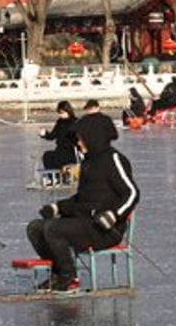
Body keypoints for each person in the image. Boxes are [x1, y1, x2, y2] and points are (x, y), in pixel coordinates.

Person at [27, 114, 140, 293]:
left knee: (53, 229)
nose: (79, 143)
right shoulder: (88, 162)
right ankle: (59, 273)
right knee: (36, 227)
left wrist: (114, 215)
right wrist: (58, 207)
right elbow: (82, 199)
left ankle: (69, 277)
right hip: (86, 223)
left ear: (93, 137)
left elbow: (132, 193)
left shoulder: (113, 159)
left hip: (107, 229)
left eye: (81, 139)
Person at [39, 101, 79, 170]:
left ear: (68, 111)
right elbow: (52, 136)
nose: (60, 115)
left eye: (62, 113)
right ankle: (52, 177)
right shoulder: (60, 122)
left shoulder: (75, 122)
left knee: (57, 158)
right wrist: (45, 134)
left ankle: (61, 175)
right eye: (59, 113)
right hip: (60, 149)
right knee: (46, 156)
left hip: (70, 151)